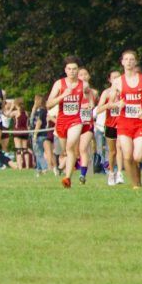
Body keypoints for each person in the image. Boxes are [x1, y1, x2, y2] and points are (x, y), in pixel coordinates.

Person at [45, 56, 91, 188]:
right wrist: (63, 95)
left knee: (71, 147)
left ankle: (67, 178)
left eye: (75, 69)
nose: (72, 71)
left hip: (76, 120)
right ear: (65, 70)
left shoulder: (84, 85)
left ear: (78, 70)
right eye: (69, 69)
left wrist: (88, 104)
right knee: (65, 150)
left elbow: (89, 95)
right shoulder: (59, 84)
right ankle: (68, 171)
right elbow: (48, 104)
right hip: (61, 121)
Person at [109, 50, 142, 189]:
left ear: (135, 62)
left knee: (138, 157)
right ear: (122, 62)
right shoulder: (118, 81)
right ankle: (135, 185)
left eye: (132, 59)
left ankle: (138, 178)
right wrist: (117, 103)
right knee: (127, 157)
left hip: (140, 123)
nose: (129, 62)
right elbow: (111, 100)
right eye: (126, 59)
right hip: (124, 123)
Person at [94, 70, 122, 185]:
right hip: (110, 125)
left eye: (118, 77)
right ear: (109, 80)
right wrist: (108, 105)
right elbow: (98, 109)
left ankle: (120, 173)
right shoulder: (106, 93)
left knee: (121, 148)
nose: (116, 80)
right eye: (114, 78)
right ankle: (111, 173)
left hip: (123, 124)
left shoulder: (125, 91)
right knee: (113, 151)